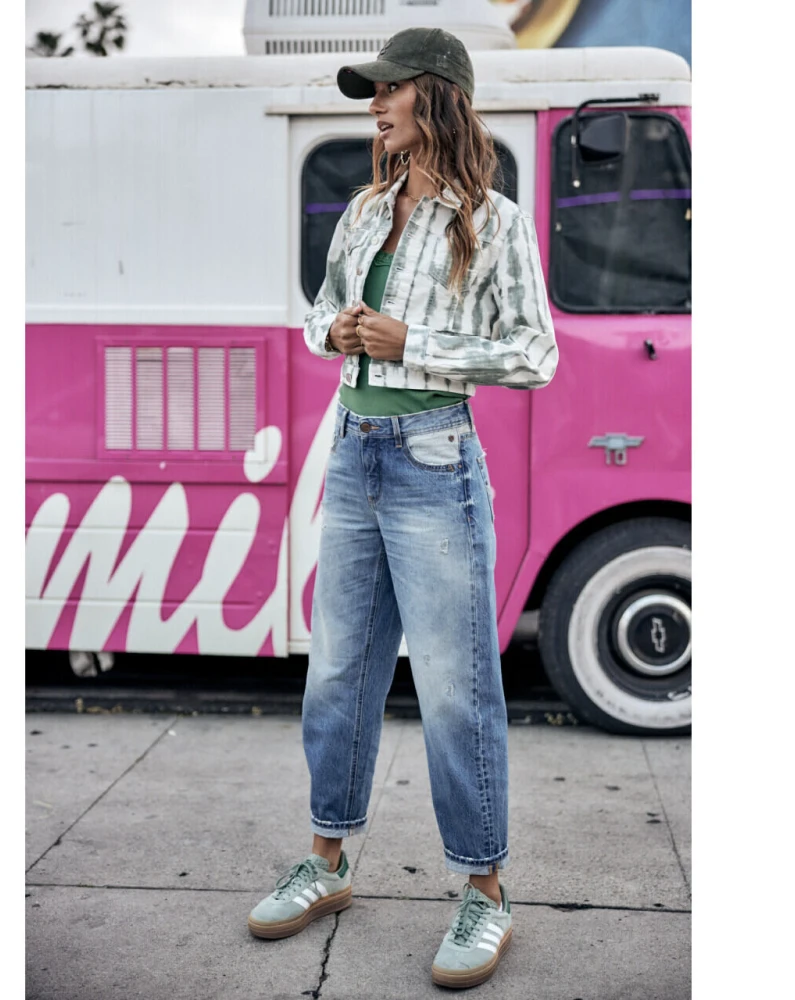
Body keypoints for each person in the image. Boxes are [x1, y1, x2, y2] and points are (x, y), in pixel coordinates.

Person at [245, 27, 557, 990]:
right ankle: (327, 861)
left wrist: (410, 343)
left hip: (434, 462)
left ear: (439, 96)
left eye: (389, 90)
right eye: (371, 93)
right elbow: (320, 314)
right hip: (355, 455)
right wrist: (338, 329)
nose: (375, 106)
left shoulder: (494, 221)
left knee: (457, 688)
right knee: (338, 674)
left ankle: (486, 892)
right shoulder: (363, 210)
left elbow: (535, 353)